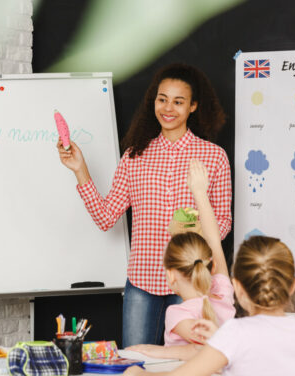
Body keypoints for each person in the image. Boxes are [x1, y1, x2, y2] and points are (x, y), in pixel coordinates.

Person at [57, 63, 232, 347]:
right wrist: (80, 169)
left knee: (188, 363)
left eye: (178, 101)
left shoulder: (214, 157)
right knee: (135, 361)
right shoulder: (134, 156)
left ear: (193, 107)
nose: (168, 108)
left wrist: (197, 228)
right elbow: (105, 218)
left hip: (192, 281)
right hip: (142, 280)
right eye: (162, 99)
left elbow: (223, 222)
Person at [124, 235, 295, 376]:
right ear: (293, 286)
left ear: (237, 288)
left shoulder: (234, 334)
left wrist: (138, 373)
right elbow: (275, 355)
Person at [126, 160, 235, 360]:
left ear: (170, 274)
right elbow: (214, 239)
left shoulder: (178, 314)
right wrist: (200, 193)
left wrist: (160, 351)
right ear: (213, 266)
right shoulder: (222, 292)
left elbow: (210, 348)